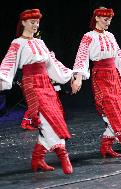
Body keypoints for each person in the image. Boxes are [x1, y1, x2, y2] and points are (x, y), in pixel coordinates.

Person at [0, 9, 73, 174]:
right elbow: (8, 62)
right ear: (24, 23)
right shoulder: (17, 43)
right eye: (32, 22)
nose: (35, 25)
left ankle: (37, 158)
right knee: (47, 119)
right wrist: (2, 78)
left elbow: (51, 63)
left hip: (46, 83)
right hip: (31, 83)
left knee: (54, 116)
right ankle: (63, 155)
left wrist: (69, 76)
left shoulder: (40, 43)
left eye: (37, 22)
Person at [71, 7, 121, 160]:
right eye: (105, 19)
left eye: (110, 19)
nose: (108, 22)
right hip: (101, 76)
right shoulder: (89, 36)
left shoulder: (111, 36)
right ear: (97, 18)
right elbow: (82, 57)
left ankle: (106, 146)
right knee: (110, 107)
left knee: (118, 109)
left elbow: (119, 56)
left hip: (114, 75)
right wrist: (78, 77)